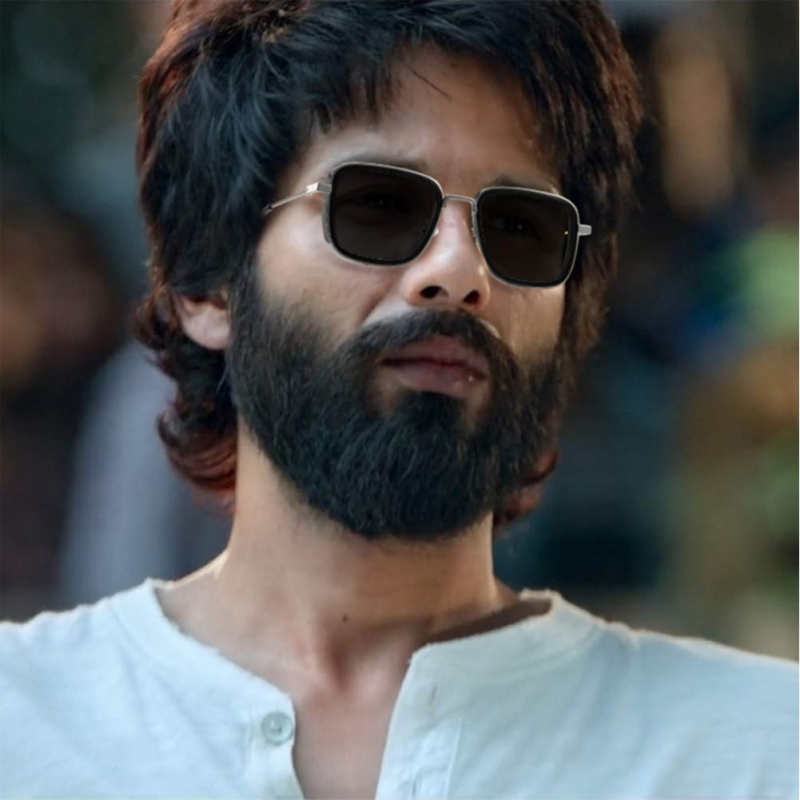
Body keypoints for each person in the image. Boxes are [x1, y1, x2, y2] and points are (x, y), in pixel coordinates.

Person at [1, 2, 796, 799]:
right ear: (208, 284)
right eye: (378, 207)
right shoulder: (26, 723)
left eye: (520, 228)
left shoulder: (753, 752)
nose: (458, 270)